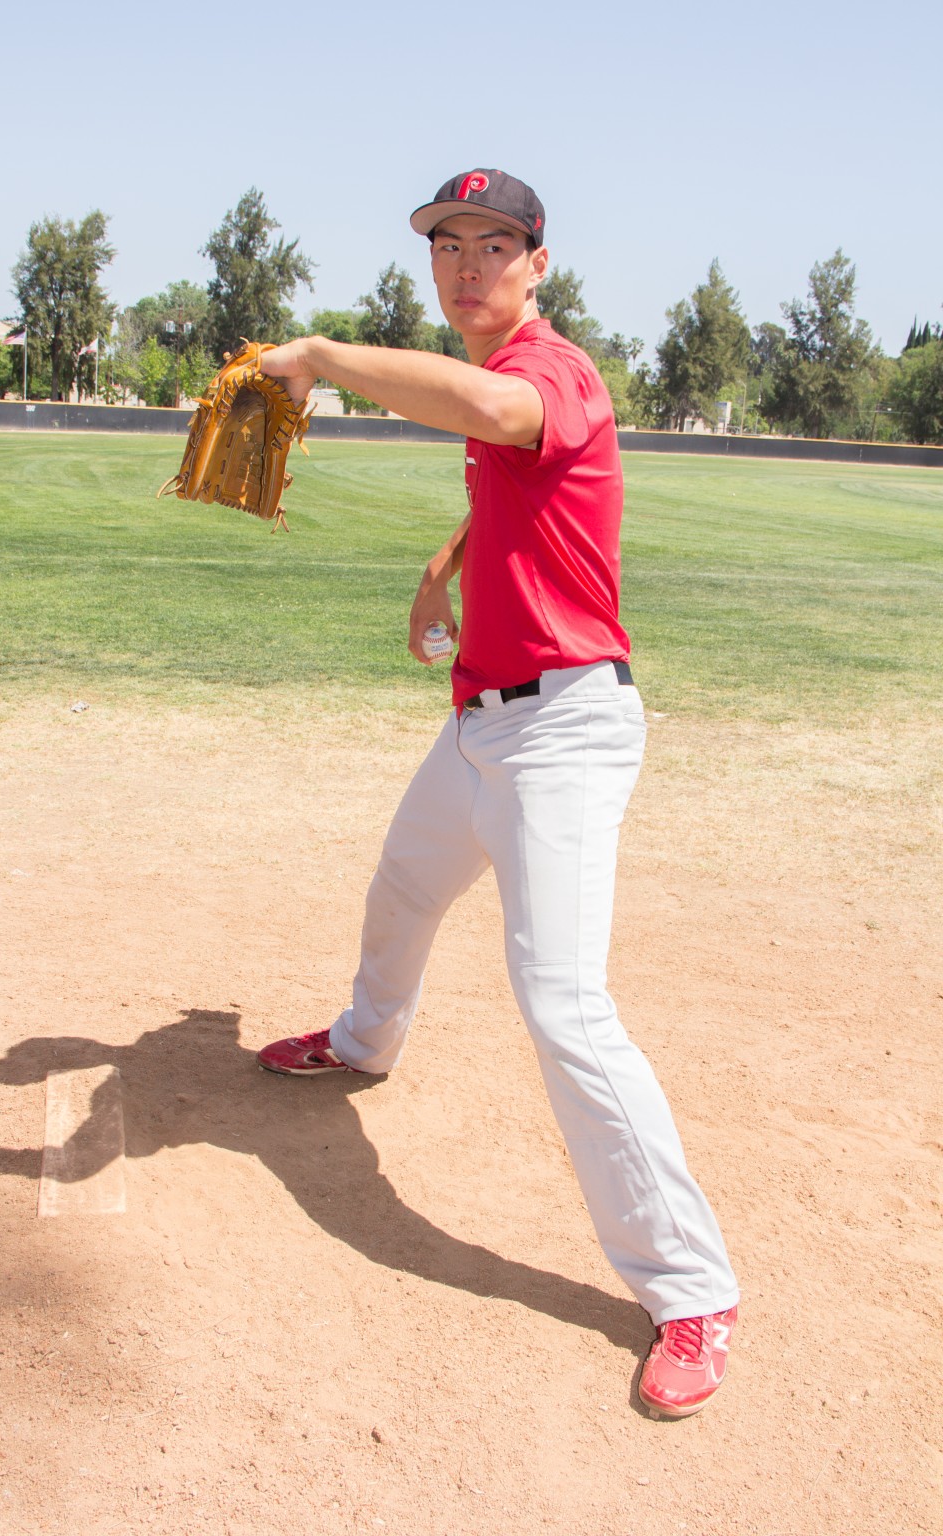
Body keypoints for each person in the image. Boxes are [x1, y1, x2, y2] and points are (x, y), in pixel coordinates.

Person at [256, 169, 739, 1418]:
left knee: (564, 1004)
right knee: (402, 890)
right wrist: (441, 565)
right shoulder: (511, 386)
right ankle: (364, 1044)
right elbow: (509, 473)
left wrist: (318, 352)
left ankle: (691, 1290)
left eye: (492, 246)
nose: (466, 266)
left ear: (536, 263)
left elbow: (493, 407)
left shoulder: (555, 369)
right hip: (480, 726)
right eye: (446, 246)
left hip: (565, 734)